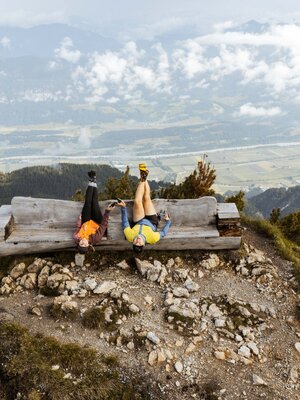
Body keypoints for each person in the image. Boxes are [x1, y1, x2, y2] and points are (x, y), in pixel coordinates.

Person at [118, 164, 171, 253]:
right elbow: (163, 233)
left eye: (135, 243)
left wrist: (123, 208)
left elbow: (125, 223)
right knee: (146, 198)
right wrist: (168, 221)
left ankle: (143, 178)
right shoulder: (152, 239)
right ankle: (143, 177)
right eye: (139, 243)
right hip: (152, 221)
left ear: (133, 242)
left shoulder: (130, 236)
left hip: (138, 221)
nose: (137, 241)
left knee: (137, 201)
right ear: (143, 244)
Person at [73, 170, 115, 253]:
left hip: (86, 221)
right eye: (84, 245)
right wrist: (107, 212)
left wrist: (79, 220)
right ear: (88, 245)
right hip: (96, 222)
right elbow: (103, 226)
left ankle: (91, 180)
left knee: (88, 202)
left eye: (81, 244)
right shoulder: (96, 238)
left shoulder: (77, 237)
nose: (83, 242)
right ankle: (94, 181)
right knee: (94, 202)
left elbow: (78, 228)